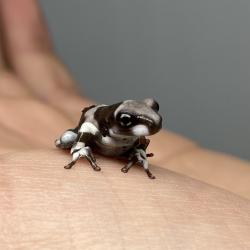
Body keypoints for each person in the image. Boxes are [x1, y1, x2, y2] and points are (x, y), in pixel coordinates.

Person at [0, 0, 249, 249]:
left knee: (137, 144)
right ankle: (80, 151)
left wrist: (137, 148)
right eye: (128, 121)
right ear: (118, 122)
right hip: (90, 135)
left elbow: (141, 136)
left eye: (153, 109)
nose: (151, 120)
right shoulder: (102, 128)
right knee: (65, 140)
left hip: (119, 144)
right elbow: (87, 129)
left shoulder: (134, 134)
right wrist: (83, 146)